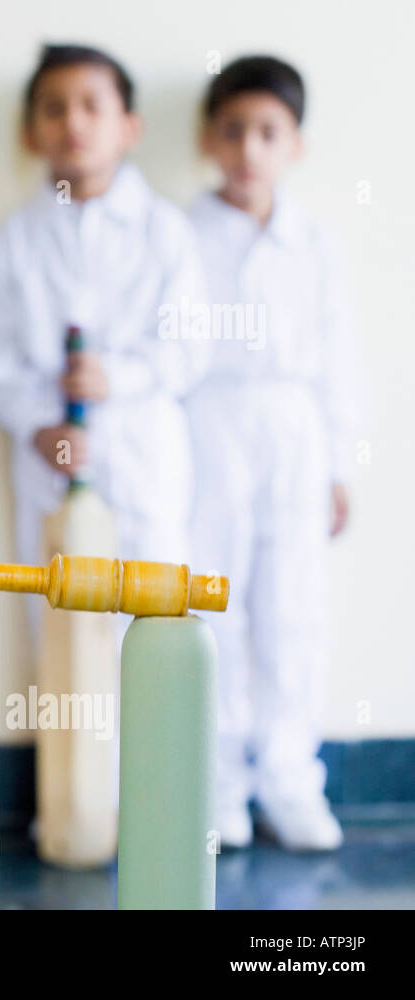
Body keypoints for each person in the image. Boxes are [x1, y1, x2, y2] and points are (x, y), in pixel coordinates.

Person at [0, 44, 207, 649]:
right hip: (50, 464)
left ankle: (157, 749)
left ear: (129, 127)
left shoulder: (166, 231)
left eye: (91, 106)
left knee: (154, 626)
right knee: (63, 637)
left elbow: (187, 348)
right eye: (54, 108)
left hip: (142, 453)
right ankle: (74, 751)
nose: (73, 122)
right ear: (30, 132)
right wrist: (39, 427)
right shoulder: (13, 240)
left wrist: (117, 379)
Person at [187, 55, 359, 851]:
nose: (249, 148)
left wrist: (338, 465)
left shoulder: (314, 243)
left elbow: (337, 357)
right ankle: (218, 785)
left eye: (268, 131)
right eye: (233, 130)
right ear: (207, 139)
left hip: (294, 433)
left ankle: (291, 780)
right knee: (213, 607)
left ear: (295, 144)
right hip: (209, 431)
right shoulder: (181, 235)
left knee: (291, 615)